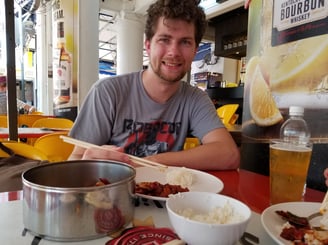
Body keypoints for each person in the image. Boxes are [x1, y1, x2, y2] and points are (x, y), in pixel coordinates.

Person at [68, 0, 240, 170]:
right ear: (148, 46)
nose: (174, 52)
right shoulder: (107, 92)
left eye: (185, 42)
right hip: (114, 192)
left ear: (195, 50)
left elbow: (229, 154)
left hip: (169, 194)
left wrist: (155, 161)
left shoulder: (195, 98)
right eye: (164, 40)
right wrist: (89, 164)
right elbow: (74, 159)